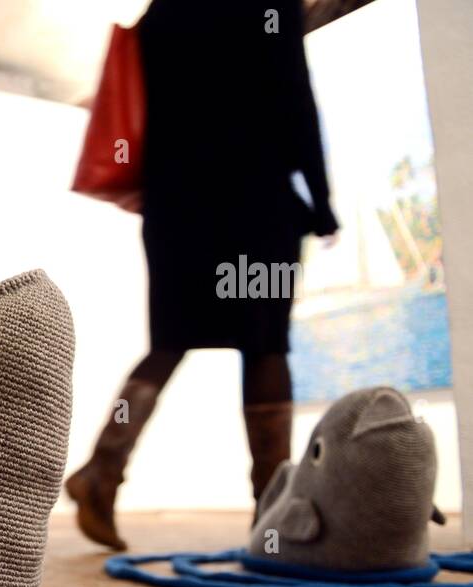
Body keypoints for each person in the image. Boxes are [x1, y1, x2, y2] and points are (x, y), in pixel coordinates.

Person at [66, 0, 339, 550]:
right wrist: (322, 200)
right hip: (255, 200)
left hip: (177, 207)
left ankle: (103, 470)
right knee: (265, 345)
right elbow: (295, 100)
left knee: (171, 338)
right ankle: (272, 514)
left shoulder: (162, 13)